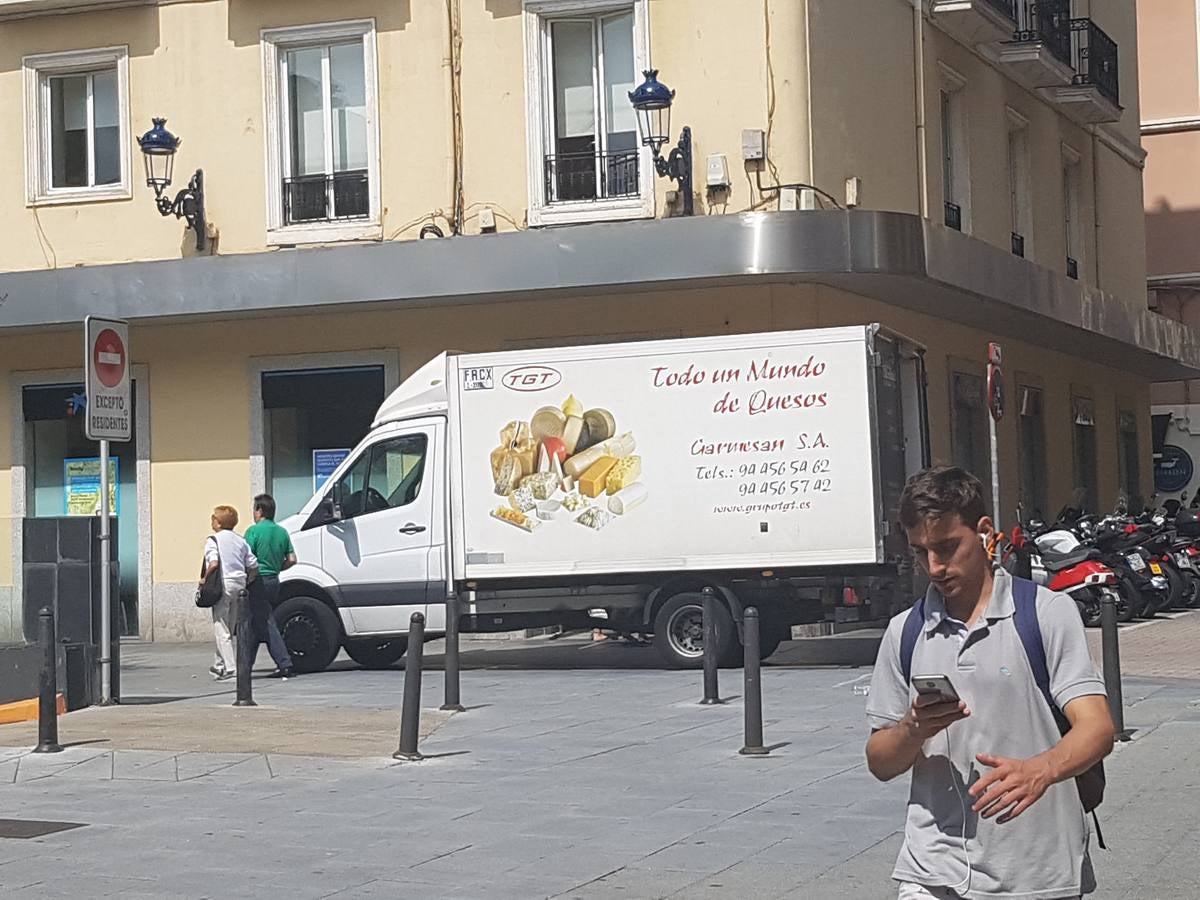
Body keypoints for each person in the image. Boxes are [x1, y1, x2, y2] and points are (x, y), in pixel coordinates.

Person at [865, 466, 1114, 900]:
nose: (934, 567)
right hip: (932, 870)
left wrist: (1041, 770)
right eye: (920, 552)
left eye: (947, 547)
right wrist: (913, 729)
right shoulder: (905, 631)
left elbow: (1098, 728)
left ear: (984, 533)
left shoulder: (1045, 613)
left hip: (1037, 871)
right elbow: (880, 762)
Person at [244, 493, 297, 679]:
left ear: (260, 510)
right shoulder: (282, 532)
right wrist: (278, 567)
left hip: (257, 581)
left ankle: (285, 663)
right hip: (274, 580)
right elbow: (292, 559)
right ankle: (245, 664)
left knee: (265, 622)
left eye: (254, 509)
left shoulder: (253, 531)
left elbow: (247, 558)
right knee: (254, 624)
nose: (253, 513)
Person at [202, 505, 258, 681]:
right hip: (240, 584)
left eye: (213, 519)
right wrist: (248, 579)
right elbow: (253, 564)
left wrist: (204, 579)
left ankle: (232, 669)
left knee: (221, 627)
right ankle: (218, 666)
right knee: (230, 625)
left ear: (218, 523)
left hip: (223, 585)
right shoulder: (240, 541)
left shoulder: (213, 540)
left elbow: (213, 563)